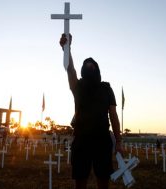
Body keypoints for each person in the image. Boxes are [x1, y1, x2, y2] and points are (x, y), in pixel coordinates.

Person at [59, 33, 123, 189]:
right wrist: (67, 49)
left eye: (92, 64)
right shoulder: (78, 86)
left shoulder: (106, 88)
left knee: (103, 178)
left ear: (97, 70)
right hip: (81, 139)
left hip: (102, 139)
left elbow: (113, 116)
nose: (89, 66)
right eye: (86, 64)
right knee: (80, 179)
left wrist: (119, 141)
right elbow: (70, 69)